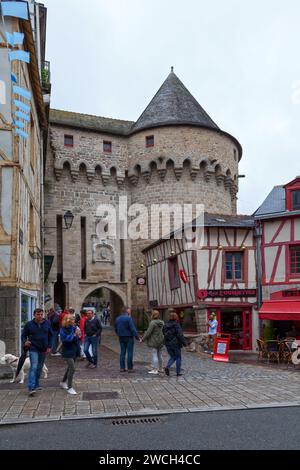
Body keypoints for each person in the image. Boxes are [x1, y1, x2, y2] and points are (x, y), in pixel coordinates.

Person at [21, 308, 52, 396]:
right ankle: (31, 388)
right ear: (34, 315)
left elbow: (50, 335)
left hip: (43, 348)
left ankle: (36, 383)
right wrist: (25, 342)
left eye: (41, 314)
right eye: (38, 314)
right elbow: (23, 335)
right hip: (33, 348)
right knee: (34, 367)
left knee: (39, 367)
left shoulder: (47, 323)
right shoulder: (29, 324)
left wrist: (49, 346)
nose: (40, 316)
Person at [59, 314, 81, 395]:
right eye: (72, 319)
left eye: (74, 319)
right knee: (72, 368)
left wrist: (77, 335)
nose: (74, 320)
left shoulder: (74, 327)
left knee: (69, 368)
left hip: (74, 350)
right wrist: (74, 335)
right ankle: (70, 387)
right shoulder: (63, 329)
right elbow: (65, 340)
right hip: (67, 351)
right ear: (67, 320)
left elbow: (78, 338)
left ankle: (63, 382)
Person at [115, 307, 139, 372]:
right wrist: (137, 337)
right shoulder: (128, 318)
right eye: (129, 310)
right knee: (129, 352)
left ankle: (122, 367)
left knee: (122, 352)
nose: (130, 311)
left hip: (121, 337)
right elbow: (133, 329)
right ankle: (130, 368)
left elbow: (116, 329)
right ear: (126, 311)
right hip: (129, 337)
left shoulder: (117, 319)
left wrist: (119, 334)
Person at [163, 311, 187, 377]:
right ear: (176, 317)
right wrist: (185, 343)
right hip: (176, 344)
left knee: (173, 357)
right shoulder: (176, 325)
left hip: (168, 344)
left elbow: (163, 334)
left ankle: (167, 367)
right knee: (178, 357)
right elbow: (180, 335)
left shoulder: (165, 325)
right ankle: (178, 372)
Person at [140, 310, 164, 375]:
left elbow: (148, 332)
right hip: (161, 340)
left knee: (154, 354)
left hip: (154, 340)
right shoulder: (162, 322)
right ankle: (161, 368)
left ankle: (155, 369)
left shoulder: (152, 323)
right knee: (160, 354)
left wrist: (142, 339)